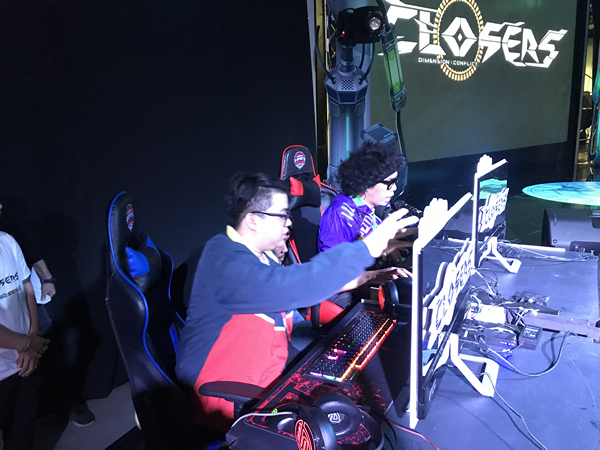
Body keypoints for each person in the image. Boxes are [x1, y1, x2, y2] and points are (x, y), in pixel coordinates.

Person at [175, 173, 417, 430]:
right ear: (254, 220)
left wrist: (371, 276)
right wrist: (367, 247)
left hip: (271, 374)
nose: (289, 222)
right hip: (231, 398)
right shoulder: (225, 261)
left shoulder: (259, 256)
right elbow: (297, 284)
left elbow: (299, 283)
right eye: (282, 215)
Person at [318, 143, 412, 296]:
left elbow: (389, 240)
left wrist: (400, 264)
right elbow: (330, 278)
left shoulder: (379, 205)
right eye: (390, 183)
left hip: (380, 279)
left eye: (396, 180)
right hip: (352, 292)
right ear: (367, 183)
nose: (394, 188)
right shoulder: (339, 216)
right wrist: (376, 277)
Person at [0, 202, 51, 450]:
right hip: (11, 362)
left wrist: (33, 335)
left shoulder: (7, 241)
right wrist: (29, 345)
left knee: (22, 428)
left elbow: (27, 289)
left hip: (25, 359)